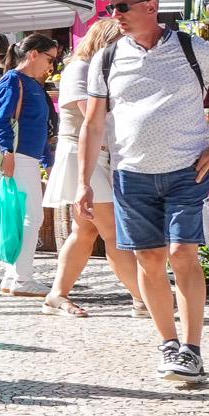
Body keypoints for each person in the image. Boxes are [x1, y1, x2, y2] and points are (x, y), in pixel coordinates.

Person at [82, 0, 209, 385]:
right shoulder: (107, 57)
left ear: (151, 6)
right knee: (148, 258)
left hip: (188, 170)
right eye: (110, 8)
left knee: (182, 253)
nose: (115, 15)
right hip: (131, 173)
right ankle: (168, 343)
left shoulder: (191, 48)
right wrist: (84, 182)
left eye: (122, 7)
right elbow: (93, 124)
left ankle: (192, 349)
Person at [43, 16, 143, 315]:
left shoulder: (97, 69)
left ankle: (56, 295)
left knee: (84, 231)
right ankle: (144, 298)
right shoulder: (81, 68)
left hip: (95, 155)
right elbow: (93, 116)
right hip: (82, 153)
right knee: (111, 231)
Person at [0, 30, 63, 297]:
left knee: (25, 217)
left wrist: (47, 160)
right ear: (33, 55)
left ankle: (14, 276)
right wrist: (8, 152)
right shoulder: (14, 80)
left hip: (25, 157)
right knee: (31, 217)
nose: (51, 65)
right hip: (18, 158)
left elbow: (39, 128)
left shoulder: (30, 83)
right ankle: (22, 277)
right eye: (50, 58)